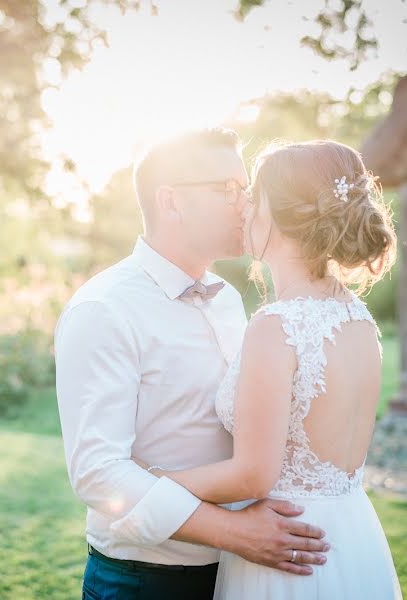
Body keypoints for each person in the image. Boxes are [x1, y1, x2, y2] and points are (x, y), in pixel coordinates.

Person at [54, 129, 330, 600]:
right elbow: (97, 472)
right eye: (228, 190)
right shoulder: (103, 308)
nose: (245, 205)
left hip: (241, 573)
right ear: (172, 201)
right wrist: (234, 531)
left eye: (245, 191)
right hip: (147, 578)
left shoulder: (228, 300)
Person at [134, 139, 403, 598]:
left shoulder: (277, 325)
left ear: (277, 215)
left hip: (285, 544)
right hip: (351, 533)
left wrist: (152, 483)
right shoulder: (359, 319)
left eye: (252, 196)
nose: (242, 209)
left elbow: (254, 475)